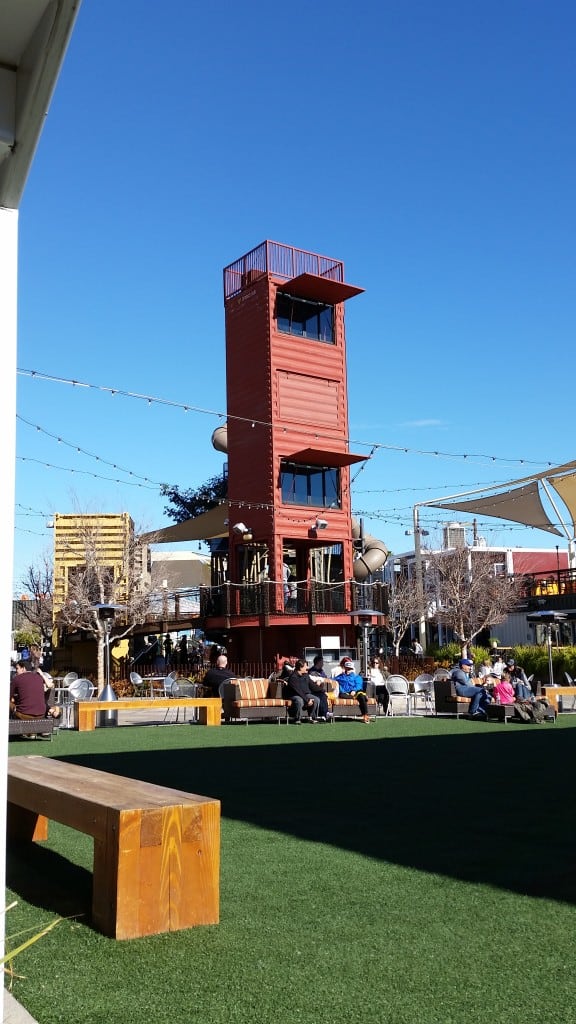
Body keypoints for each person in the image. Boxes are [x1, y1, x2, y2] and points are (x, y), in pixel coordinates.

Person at [10, 659, 52, 734]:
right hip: (41, 714)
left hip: (24, 715)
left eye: (17, 668)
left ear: (23, 668)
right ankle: (32, 732)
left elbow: (8, 696)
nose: (16, 671)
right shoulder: (39, 678)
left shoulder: (16, 679)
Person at [335, 659, 371, 723]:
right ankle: (358, 697)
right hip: (345, 693)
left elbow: (359, 685)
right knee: (342, 694)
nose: (348, 670)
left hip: (356, 692)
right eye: (347, 669)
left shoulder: (357, 677)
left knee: (361, 696)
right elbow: (332, 680)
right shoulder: (340, 677)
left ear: (353, 669)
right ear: (344, 668)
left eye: (350, 669)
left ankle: (365, 715)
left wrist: (354, 690)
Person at [308, 656, 332, 720]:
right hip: (313, 690)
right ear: (318, 662)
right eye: (322, 662)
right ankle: (324, 713)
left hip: (320, 690)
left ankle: (326, 713)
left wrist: (321, 680)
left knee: (324, 696)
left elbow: (325, 679)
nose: (323, 664)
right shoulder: (312, 672)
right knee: (321, 696)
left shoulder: (321, 671)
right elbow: (313, 682)